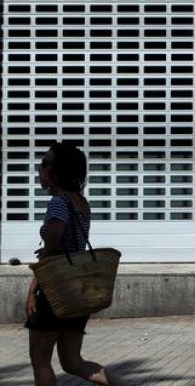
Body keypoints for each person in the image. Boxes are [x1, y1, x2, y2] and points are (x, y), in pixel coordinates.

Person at [25, 142, 130, 386]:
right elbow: (72, 246)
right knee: (73, 361)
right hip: (77, 293)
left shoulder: (59, 203)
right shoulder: (81, 203)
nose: (40, 169)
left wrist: (32, 291)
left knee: (40, 360)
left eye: (45, 164)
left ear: (58, 170)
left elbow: (51, 253)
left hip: (55, 291)